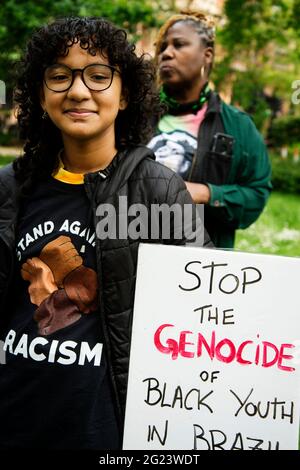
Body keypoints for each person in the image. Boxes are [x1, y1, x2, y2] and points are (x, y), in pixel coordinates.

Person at [0, 16, 211, 450]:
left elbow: (203, 310)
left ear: (126, 92)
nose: (78, 91)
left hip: (101, 430)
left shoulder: (155, 190)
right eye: (59, 76)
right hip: (13, 420)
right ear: (41, 94)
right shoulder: (10, 187)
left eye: (98, 75)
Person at [148, 10, 272, 248]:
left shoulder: (238, 126)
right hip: (132, 262)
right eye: (163, 47)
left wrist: (205, 193)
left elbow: (256, 195)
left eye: (179, 44)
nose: (166, 53)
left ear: (207, 55)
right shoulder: (135, 115)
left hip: (201, 269)